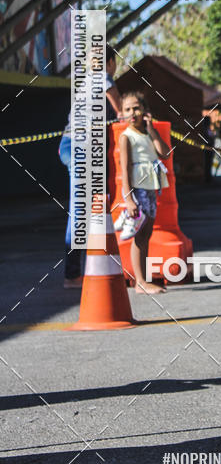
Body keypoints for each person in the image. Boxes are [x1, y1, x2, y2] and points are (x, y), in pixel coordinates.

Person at [58, 45, 122, 289]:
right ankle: (72, 274)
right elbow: (122, 111)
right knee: (79, 210)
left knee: (86, 206)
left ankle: (79, 270)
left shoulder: (86, 81)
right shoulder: (102, 77)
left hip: (71, 145)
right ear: (110, 62)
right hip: (78, 147)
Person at [118, 91, 170, 294]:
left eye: (136, 108)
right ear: (122, 113)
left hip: (151, 188)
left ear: (145, 111)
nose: (133, 113)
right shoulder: (126, 137)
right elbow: (124, 169)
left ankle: (145, 279)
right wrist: (128, 199)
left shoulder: (148, 133)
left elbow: (165, 153)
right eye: (127, 109)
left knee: (147, 233)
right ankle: (139, 281)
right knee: (139, 234)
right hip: (138, 189)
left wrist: (153, 130)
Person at [198, 114, 215, 183]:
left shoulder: (209, 129)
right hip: (207, 149)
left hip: (210, 148)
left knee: (209, 163)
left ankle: (209, 176)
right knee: (207, 163)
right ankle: (207, 177)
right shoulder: (204, 130)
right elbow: (206, 139)